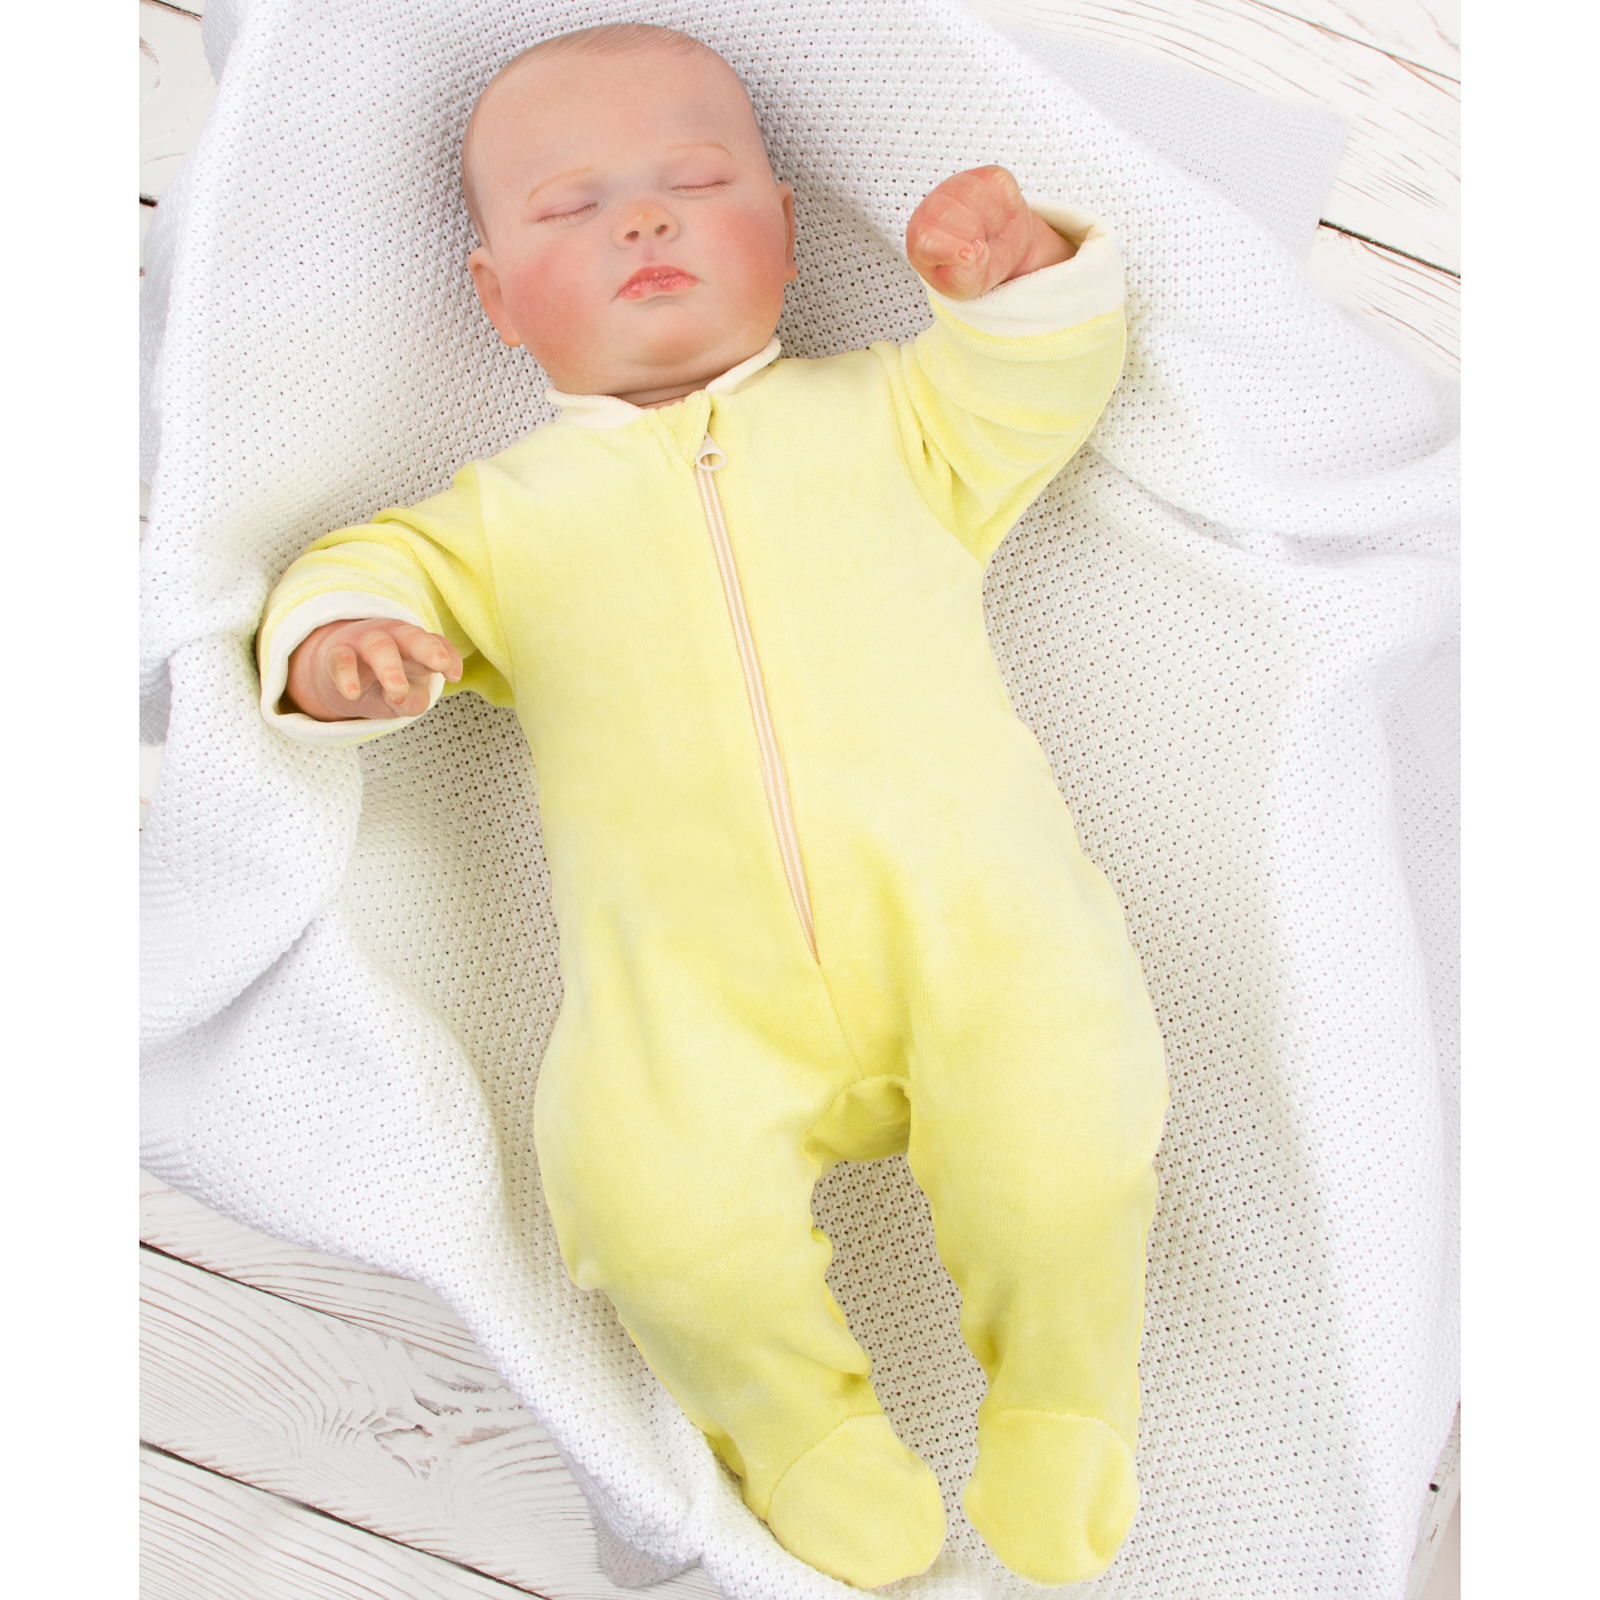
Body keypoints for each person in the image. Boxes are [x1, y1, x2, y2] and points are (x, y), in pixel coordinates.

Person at [256, 22, 1167, 1589]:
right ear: (496, 298)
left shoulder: (893, 418)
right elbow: (364, 572)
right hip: (686, 999)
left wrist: (1012, 276)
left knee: (1071, 1130)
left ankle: (1063, 1401)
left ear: (787, 230)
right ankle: (801, 1433)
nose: (643, 221)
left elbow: (1038, 379)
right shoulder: (506, 521)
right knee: (644, 1207)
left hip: (981, 933)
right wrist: (343, 646)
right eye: (572, 206)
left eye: (694, 182)